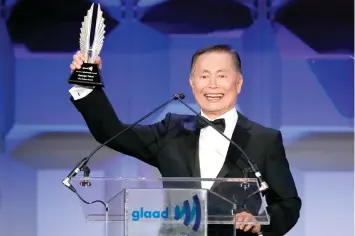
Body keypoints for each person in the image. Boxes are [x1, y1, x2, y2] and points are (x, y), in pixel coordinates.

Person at [69, 44, 301, 236]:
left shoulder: (264, 139)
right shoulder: (171, 130)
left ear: (238, 83)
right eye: (204, 76)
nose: (212, 85)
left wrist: (261, 221)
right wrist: (87, 83)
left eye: (222, 76)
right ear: (192, 83)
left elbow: (288, 203)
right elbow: (112, 132)